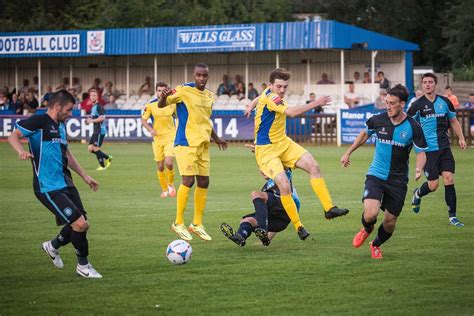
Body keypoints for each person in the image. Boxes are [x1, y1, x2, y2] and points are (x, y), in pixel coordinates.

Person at [7, 90, 102, 278]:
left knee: (82, 223)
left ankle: (52, 246)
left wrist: (85, 176)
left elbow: (66, 153)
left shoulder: (60, 126)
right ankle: (83, 266)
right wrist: (20, 151)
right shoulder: (39, 122)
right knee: (80, 224)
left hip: (65, 182)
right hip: (47, 186)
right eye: (68, 110)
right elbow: (13, 136)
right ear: (57, 107)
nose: (70, 114)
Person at [250, 68, 349, 241]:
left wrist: (251, 104)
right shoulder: (272, 98)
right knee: (284, 185)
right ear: (272, 85)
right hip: (267, 149)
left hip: (283, 142)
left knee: (314, 166)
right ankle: (298, 226)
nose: (282, 90)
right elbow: (291, 113)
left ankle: (329, 208)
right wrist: (315, 103)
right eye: (279, 86)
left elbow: (260, 96)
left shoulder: (268, 92)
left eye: (284, 87)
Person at [341, 84, 428, 259]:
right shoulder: (378, 119)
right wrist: (348, 152)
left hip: (398, 181)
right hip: (376, 175)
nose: (388, 106)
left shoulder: (413, 126)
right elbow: (364, 134)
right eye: (386, 102)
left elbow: (421, 152)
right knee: (370, 213)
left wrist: (419, 168)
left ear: (402, 103)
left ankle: (376, 244)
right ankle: (367, 228)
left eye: (392, 103)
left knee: (389, 222)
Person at [159, 63, 228, 241]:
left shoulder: (210, 96)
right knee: (188, 180)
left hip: (203, 144)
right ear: (193, 75)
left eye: (205, 75)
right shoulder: (182, 90)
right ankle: (178, 222)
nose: (201, 79)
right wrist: (163, 97)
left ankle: (197, 224)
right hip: (186, 143)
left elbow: (205, 121)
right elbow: (161, 105)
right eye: (198, 75)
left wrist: (217, 138)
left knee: (204, 181)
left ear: (208, 76)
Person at [407, 73, 467, 227]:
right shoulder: (417, 105)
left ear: (435, 84)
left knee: (449, 178)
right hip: (428, 151)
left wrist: (461, 138)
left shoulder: (445, 102)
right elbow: (408, 125)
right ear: (422, 85)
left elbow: (453, 120)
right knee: (433, 185)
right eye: (425, 82)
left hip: (445, 148)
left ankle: (452, 216)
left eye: (430, 82)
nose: (427, 85)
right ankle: (418, 193)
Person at [221, 166, 300, 247]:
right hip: (278, 224)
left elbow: (283, 161)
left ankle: (263, 229)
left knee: (256, 194)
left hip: (284, 212)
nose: (262, 171)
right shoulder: (266, 188)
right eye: (260, 168)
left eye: (265, 167)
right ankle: (240, 237)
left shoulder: (284, 178)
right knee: (246, 221)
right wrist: (266, 239)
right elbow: (266, 215)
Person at [141, 82, 177, 198]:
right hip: (157, 139)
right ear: (156, 92)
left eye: (163, 90)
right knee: (160, 166)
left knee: (169, 162)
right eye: (159, 90)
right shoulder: (150, 105)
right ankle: (164, 189)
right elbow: (143, 121)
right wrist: (151, 130)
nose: (161, 92)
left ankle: (171, 185)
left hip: (170, 137)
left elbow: (180, 116)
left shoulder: (172, 103)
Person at [86, 89, 112, 171]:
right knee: (90, 148)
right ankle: (107, 157)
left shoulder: (99, 107)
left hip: (100, 130)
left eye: (94, 95)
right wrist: (89, 120)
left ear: (97, 97)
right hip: (96, 130)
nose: (93, 97)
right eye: (91, 95)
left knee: (96, 148)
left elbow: (102, 118)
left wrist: (91, 121)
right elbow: (95, 117)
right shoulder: (93, 107)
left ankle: (103, 166)